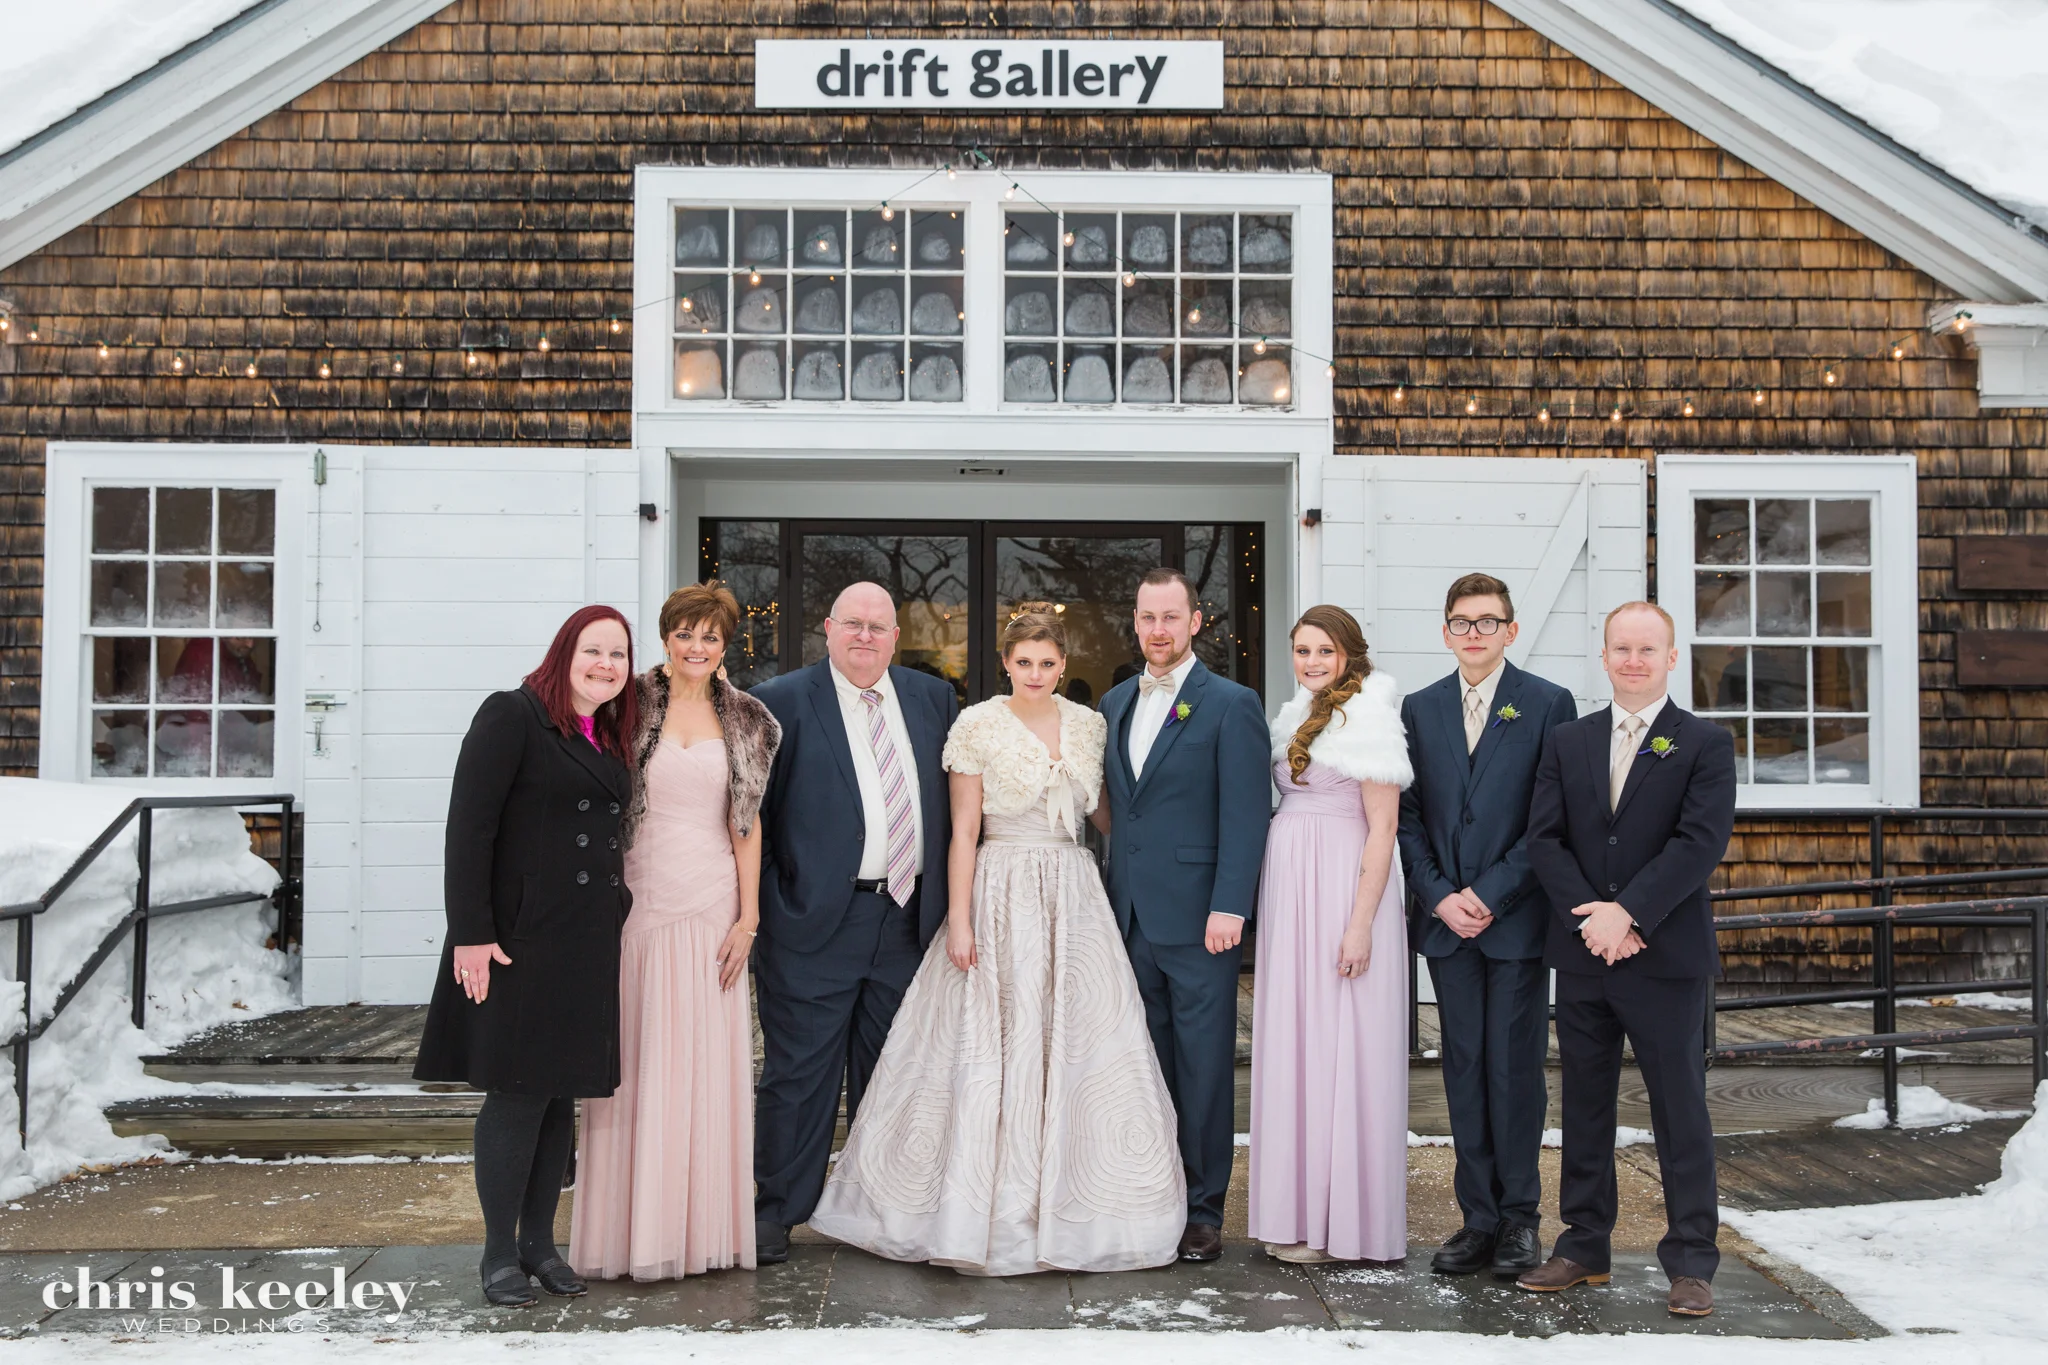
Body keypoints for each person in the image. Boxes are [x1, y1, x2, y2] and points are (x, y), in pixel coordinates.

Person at [811, 603, 1185, 1274]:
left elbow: (1104, 814)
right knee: (993, 1039)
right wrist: (959, 918)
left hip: (1071, 890)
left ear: (1064, 665)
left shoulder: (1089, 724)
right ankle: (973, 1205)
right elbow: (962, 833)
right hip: (1000, 885)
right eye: (1024, 663)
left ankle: (1074, 1204)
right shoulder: (977, 723)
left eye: (1047, 663)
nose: (1036, 673)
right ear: (1006, 664)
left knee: (1076, 1039)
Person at [414, 605, 637, 1308]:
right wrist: (471, 933)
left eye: (619, 655)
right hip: (517, 940)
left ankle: (541, 1244)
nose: (607, 664)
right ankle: (498, 1252)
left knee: (558, 1097)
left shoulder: (608, 734)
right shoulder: (512, 715)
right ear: (564, 652)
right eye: (594, 650)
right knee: (515, 1095)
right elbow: (468, 829)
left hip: (584, 940)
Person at [1518, 601, 1735, 1318]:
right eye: (1621, 647)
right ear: (1604, 655)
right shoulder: (1568, 740)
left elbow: (1697, 843)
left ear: (1672, 656)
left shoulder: (1702, 743)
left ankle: (1692, 1260)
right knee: (1584, 1104)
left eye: (1647, 648)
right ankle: (1583, 1244)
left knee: (1680, 1108)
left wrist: (1629, 913)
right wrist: (1595, 918)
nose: (1633, 660)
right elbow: (1545, 840)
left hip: (1663, 955)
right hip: (1584, 953)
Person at [570, 582, 781, 1280]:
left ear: (726, 644)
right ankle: (627, 1232)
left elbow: (745, 824)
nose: (697, 647)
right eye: (685, 634)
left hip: (714, 901)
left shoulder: (751, 718)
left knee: (703, 1064)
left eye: (710, 637)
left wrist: (749, 917)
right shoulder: (625, 703)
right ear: (666, 636)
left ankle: (698, 1233)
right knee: (636, 1058)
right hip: (636, 897)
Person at [749, 581, 958, 1264]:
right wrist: (778, 902)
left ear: (897, 637)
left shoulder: (931, 699)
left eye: (878, 626)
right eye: (853, 624)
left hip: (906, 920)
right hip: (812, 926)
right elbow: (756, 818)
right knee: (799, 1074)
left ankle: (879, 1211)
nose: (865, 636)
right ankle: (776, 1210)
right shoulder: (780, 701)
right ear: (828, 628)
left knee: (895, 1073)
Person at [1396, 573, 1577, 1277]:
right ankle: (1476, 1218)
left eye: (1488, 621)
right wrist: (1440, 895)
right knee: (1464, 1067)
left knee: (1516, 1071)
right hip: (1447, 925)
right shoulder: (1419, 707)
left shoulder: (1545, 703)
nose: (1475, 634)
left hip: (1515, 921)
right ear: (1446, 632)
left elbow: (1550, 818)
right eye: (1462, 623)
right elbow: (1408, 818)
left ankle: (1520, 1219)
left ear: (1511, 629)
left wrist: (1490, 893)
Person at [1100, 568, 1272, 1262]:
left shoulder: (1231, 703)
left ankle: (1204, 1208)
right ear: (1135, 620)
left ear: (1196, 620)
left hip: (1203, 918)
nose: (1159, 630)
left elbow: (1247, 811)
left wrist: (1232, 902)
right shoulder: (1114, 701)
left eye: (1172, 616)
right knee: (1143, 1065)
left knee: (1203, 1069)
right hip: (1130, 916)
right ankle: (1153, 1195)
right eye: (1148, 617)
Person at [1249, 606, 1414, 1264]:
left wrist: (1360, 924)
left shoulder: (1370, 712)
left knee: (1342, 1048)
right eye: (1303, 650)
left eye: (1325, 650)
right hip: (1292, 896)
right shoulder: (1294, 713)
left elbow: (1383, 827)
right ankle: (1293, 1212)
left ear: (1349, 653)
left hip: (1343, 890)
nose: (1313, 661)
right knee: (1298, 1046)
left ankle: (1342, 1222)